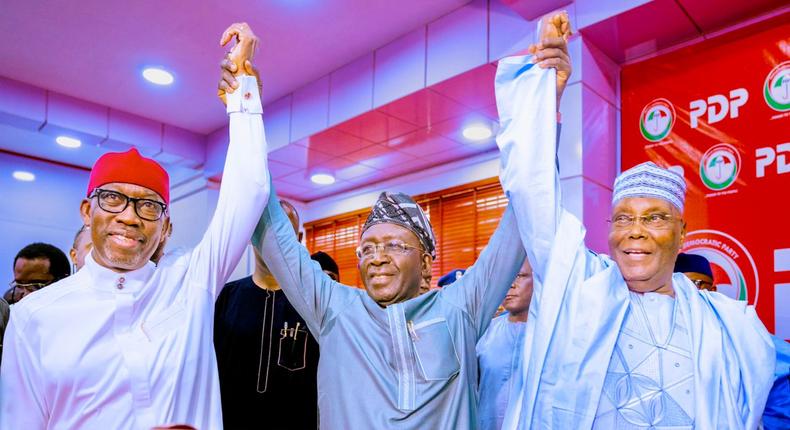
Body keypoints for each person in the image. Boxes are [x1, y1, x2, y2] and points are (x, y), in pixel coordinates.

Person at [233, 16, 570, 428]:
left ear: (427, 263)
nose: (377, 257)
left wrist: (545, 104)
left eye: (394, 245)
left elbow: (523, 210)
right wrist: (245, 108)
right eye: (369, 247)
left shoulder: (460, 307)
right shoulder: (336, 309)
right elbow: (269, 226)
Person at [496, 13, 775, 429]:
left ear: (682, 235)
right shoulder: (579, 292)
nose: (634, 231)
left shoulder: (729, 325)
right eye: (622, 218)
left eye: (655, 218)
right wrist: (549, 95)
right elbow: (531, 190)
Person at [0, 22, 270, 429]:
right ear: (87, 212)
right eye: (112, 198)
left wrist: (242, 97)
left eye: (147, 205)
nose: (129, 215)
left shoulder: (189, 285)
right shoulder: (35, 317)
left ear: (164, 226)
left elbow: (249, 191)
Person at [214, 200, 320, 430]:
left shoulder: (314, 302)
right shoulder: (224, 298)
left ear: (298, 238)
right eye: (266, 230)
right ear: (251, 235)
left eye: (285, 231)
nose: (275, 241)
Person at [477, 258, 534, 430]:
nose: (509, 284)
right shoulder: (484, 333)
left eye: (519, 276)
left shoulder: (550, 336)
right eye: (504, 277)